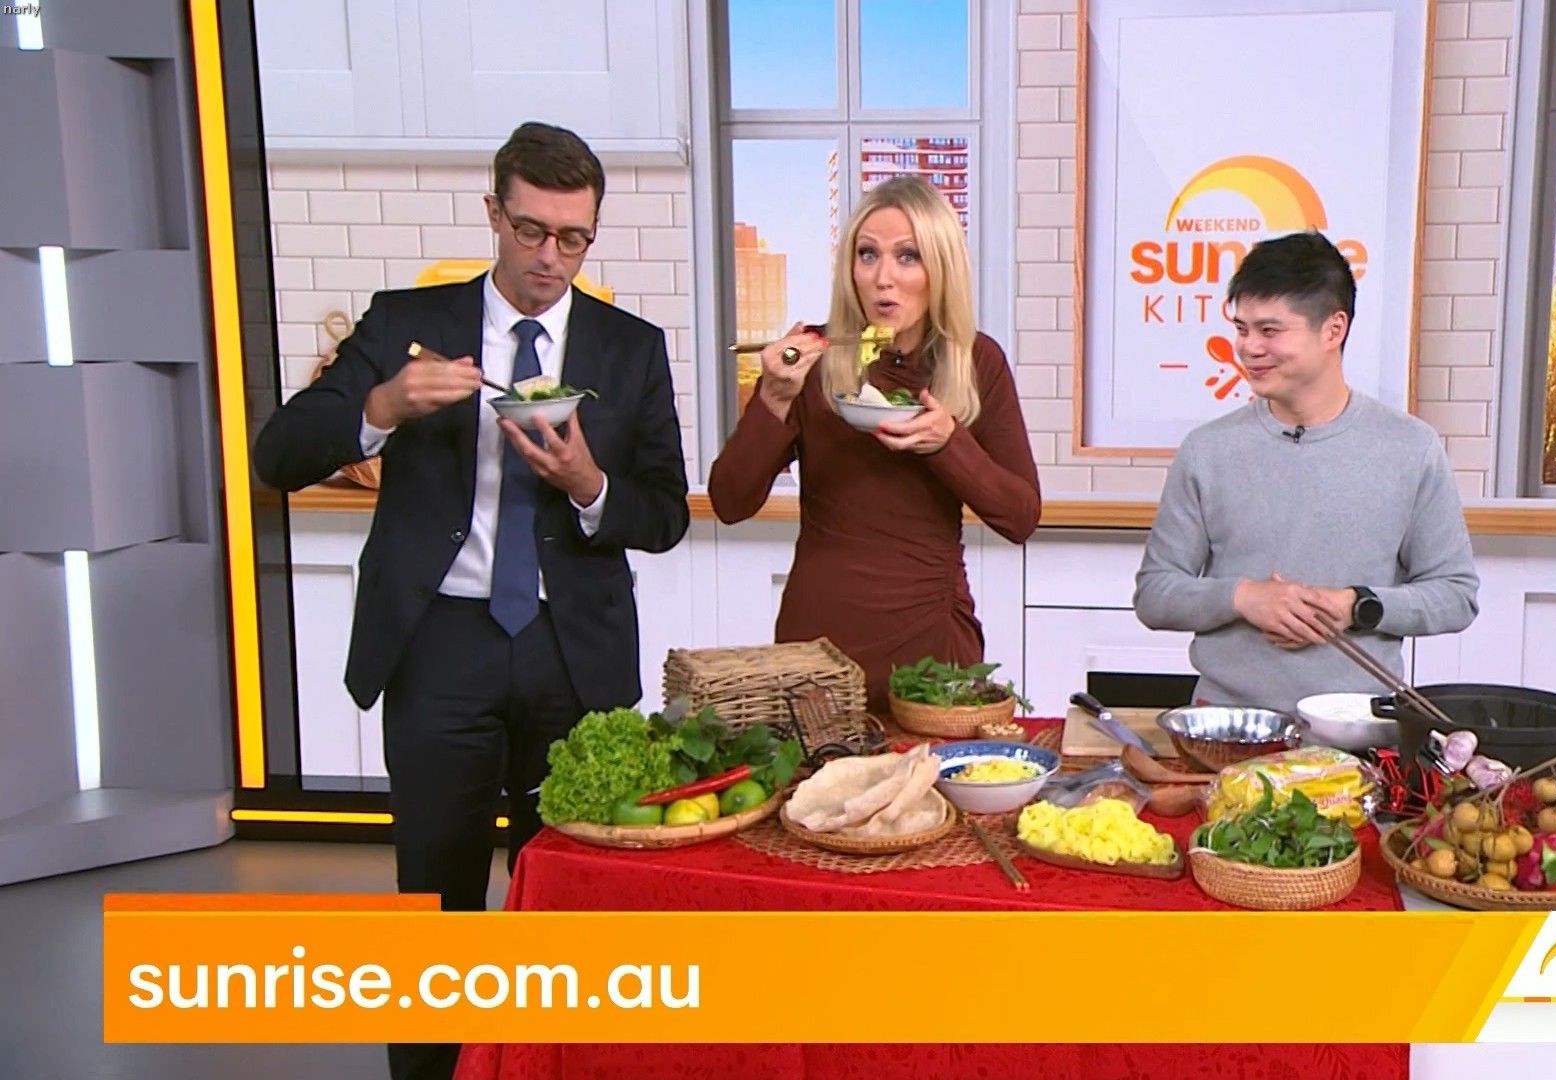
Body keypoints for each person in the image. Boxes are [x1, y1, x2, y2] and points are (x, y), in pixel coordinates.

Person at [252, 122, 690, 1080]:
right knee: (435, 898)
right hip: (440, 645)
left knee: (565, 895)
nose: (549, 257)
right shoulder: (406, 323)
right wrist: (381, 408)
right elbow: (276, 454)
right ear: (494, 213)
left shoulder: (631, 349)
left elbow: (664, 514)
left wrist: (588, 484)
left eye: (572, 238)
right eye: (531, 230)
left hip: (572, 655)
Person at [709, 176, 1041, 713]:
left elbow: (1020, 517)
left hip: (934, 646)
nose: (884, 278)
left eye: (908, 256)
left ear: (940, 268)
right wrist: (772, 397)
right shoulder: (814, 359)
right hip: (817, 647)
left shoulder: (977, 361)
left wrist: (948, 443)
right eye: (868, 255)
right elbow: (730, 501)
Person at [1133, 231, 1478, 712]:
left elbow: (1456, 596)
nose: (1249, 347)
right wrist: (1243, 597)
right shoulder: (1207, 450)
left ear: (1333, 330)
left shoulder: (1410, 447)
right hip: (1227, 726)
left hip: (1357, 727)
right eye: (1242, 328)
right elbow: (1154, 594)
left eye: (1270, 330)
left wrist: (1357, 606)